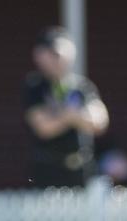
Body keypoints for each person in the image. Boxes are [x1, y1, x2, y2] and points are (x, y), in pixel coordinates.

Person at [23, 26, 109, 188]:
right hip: (48, 172)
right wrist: (74, 116)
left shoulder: (82, 86)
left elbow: (100, 122)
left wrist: (60, 115)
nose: (59, 60)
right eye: (53, 54)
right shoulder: (35, 86)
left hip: (81, 170)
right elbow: (44, 128)